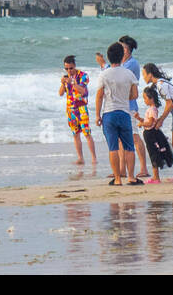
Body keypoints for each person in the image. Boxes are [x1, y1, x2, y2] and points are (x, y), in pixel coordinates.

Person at [96, 42, 140, 186]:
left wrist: (97, 115)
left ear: (108, 58)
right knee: (129, 147)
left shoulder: (104, 74)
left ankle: (117, 178)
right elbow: (134, 95)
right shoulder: (129, 74)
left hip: (109, 113)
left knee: (113, 147)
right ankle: (132, 177)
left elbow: (99, 96)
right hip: (125, 113)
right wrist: (122, 97)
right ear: (122, 57)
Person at [142, 63, 173, 182]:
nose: (143, 77)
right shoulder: (160, 83)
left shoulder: (160, 85)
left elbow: (171, 104)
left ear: (150, 74)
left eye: (144, 74)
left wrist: (161, 119)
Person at [118, 35, 150, 180]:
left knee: (134, 137)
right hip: (121, 104)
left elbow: (119, 74)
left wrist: (104, 66)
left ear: (128, 49)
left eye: (122, 47)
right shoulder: (121, 62)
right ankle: (121, 169)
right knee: (120, 139)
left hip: (130, 106)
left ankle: (143, 167)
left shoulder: (132, 64)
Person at [59, 55, 97, 165]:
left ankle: (94, 158)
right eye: (66, 68)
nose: (68, 71)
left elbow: (82, 91)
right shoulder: (66, 78)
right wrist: (63, 83)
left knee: (86, 132)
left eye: (70, 68)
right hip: (71, 109)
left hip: (81, 108)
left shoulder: (83, 76)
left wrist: (72, 83)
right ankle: (80, 158)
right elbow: (61, 93)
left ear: (74, 66)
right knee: (75, 134)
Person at [134, 86, 173, 184]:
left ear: (151, 98)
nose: (144, 100)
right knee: (153, 154)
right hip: (150, 134)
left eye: (145, 98)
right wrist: (139, 119)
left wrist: (141, 124)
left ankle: (156, 177)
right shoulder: (151, 109)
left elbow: (150, 123)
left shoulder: (152, 109)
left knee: (154, 155)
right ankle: (156, 177)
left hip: (151, 135)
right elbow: (148, 121)